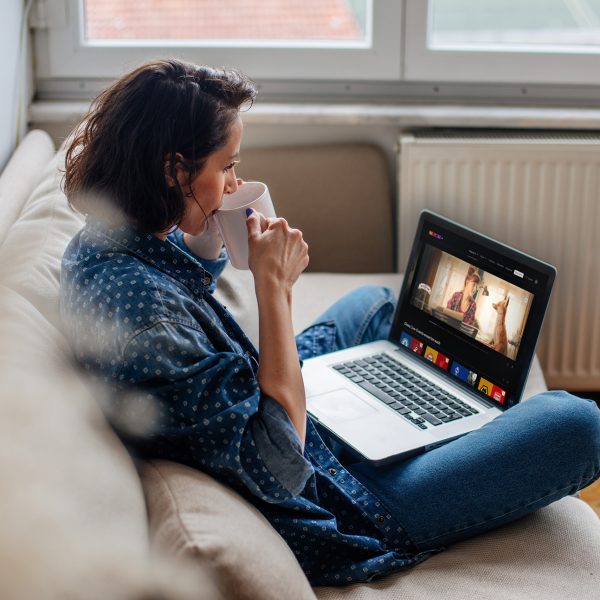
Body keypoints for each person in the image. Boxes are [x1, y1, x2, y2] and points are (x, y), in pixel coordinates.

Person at [59, 59, 600, 587]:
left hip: (282, 413)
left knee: (372, 304)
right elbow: (280, 462)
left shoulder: (111, 239)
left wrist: (208, 227)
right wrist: (274, 287)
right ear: (174, 169)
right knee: (578, 424)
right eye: (225, 167)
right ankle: (443, 428)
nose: (235, 181)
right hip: (346, 496)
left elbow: (182, 287)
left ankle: (432, 411)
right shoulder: (146, 322)